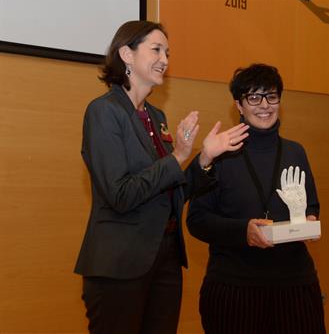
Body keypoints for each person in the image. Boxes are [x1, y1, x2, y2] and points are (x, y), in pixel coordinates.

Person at [74, 20, 249, 334]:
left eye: (168, 52)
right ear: (126, 54)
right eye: (156, 49)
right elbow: (120, 194)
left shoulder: (157, 117)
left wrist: (204, 158)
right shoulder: (104, 112)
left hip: (165, 256)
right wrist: (178, 156)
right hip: (120, 263)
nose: (165, 60)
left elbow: (173, 192)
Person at [187, 63, 326, 334]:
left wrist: (309, 220)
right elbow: (197, 220)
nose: (264, 105)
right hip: (234, 289)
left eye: (271, 96)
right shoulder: (220, 153)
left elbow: (312, 205)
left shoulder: (295, 152)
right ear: (239, 105)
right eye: (254, 97)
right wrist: (243, 231)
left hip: (295, 285)